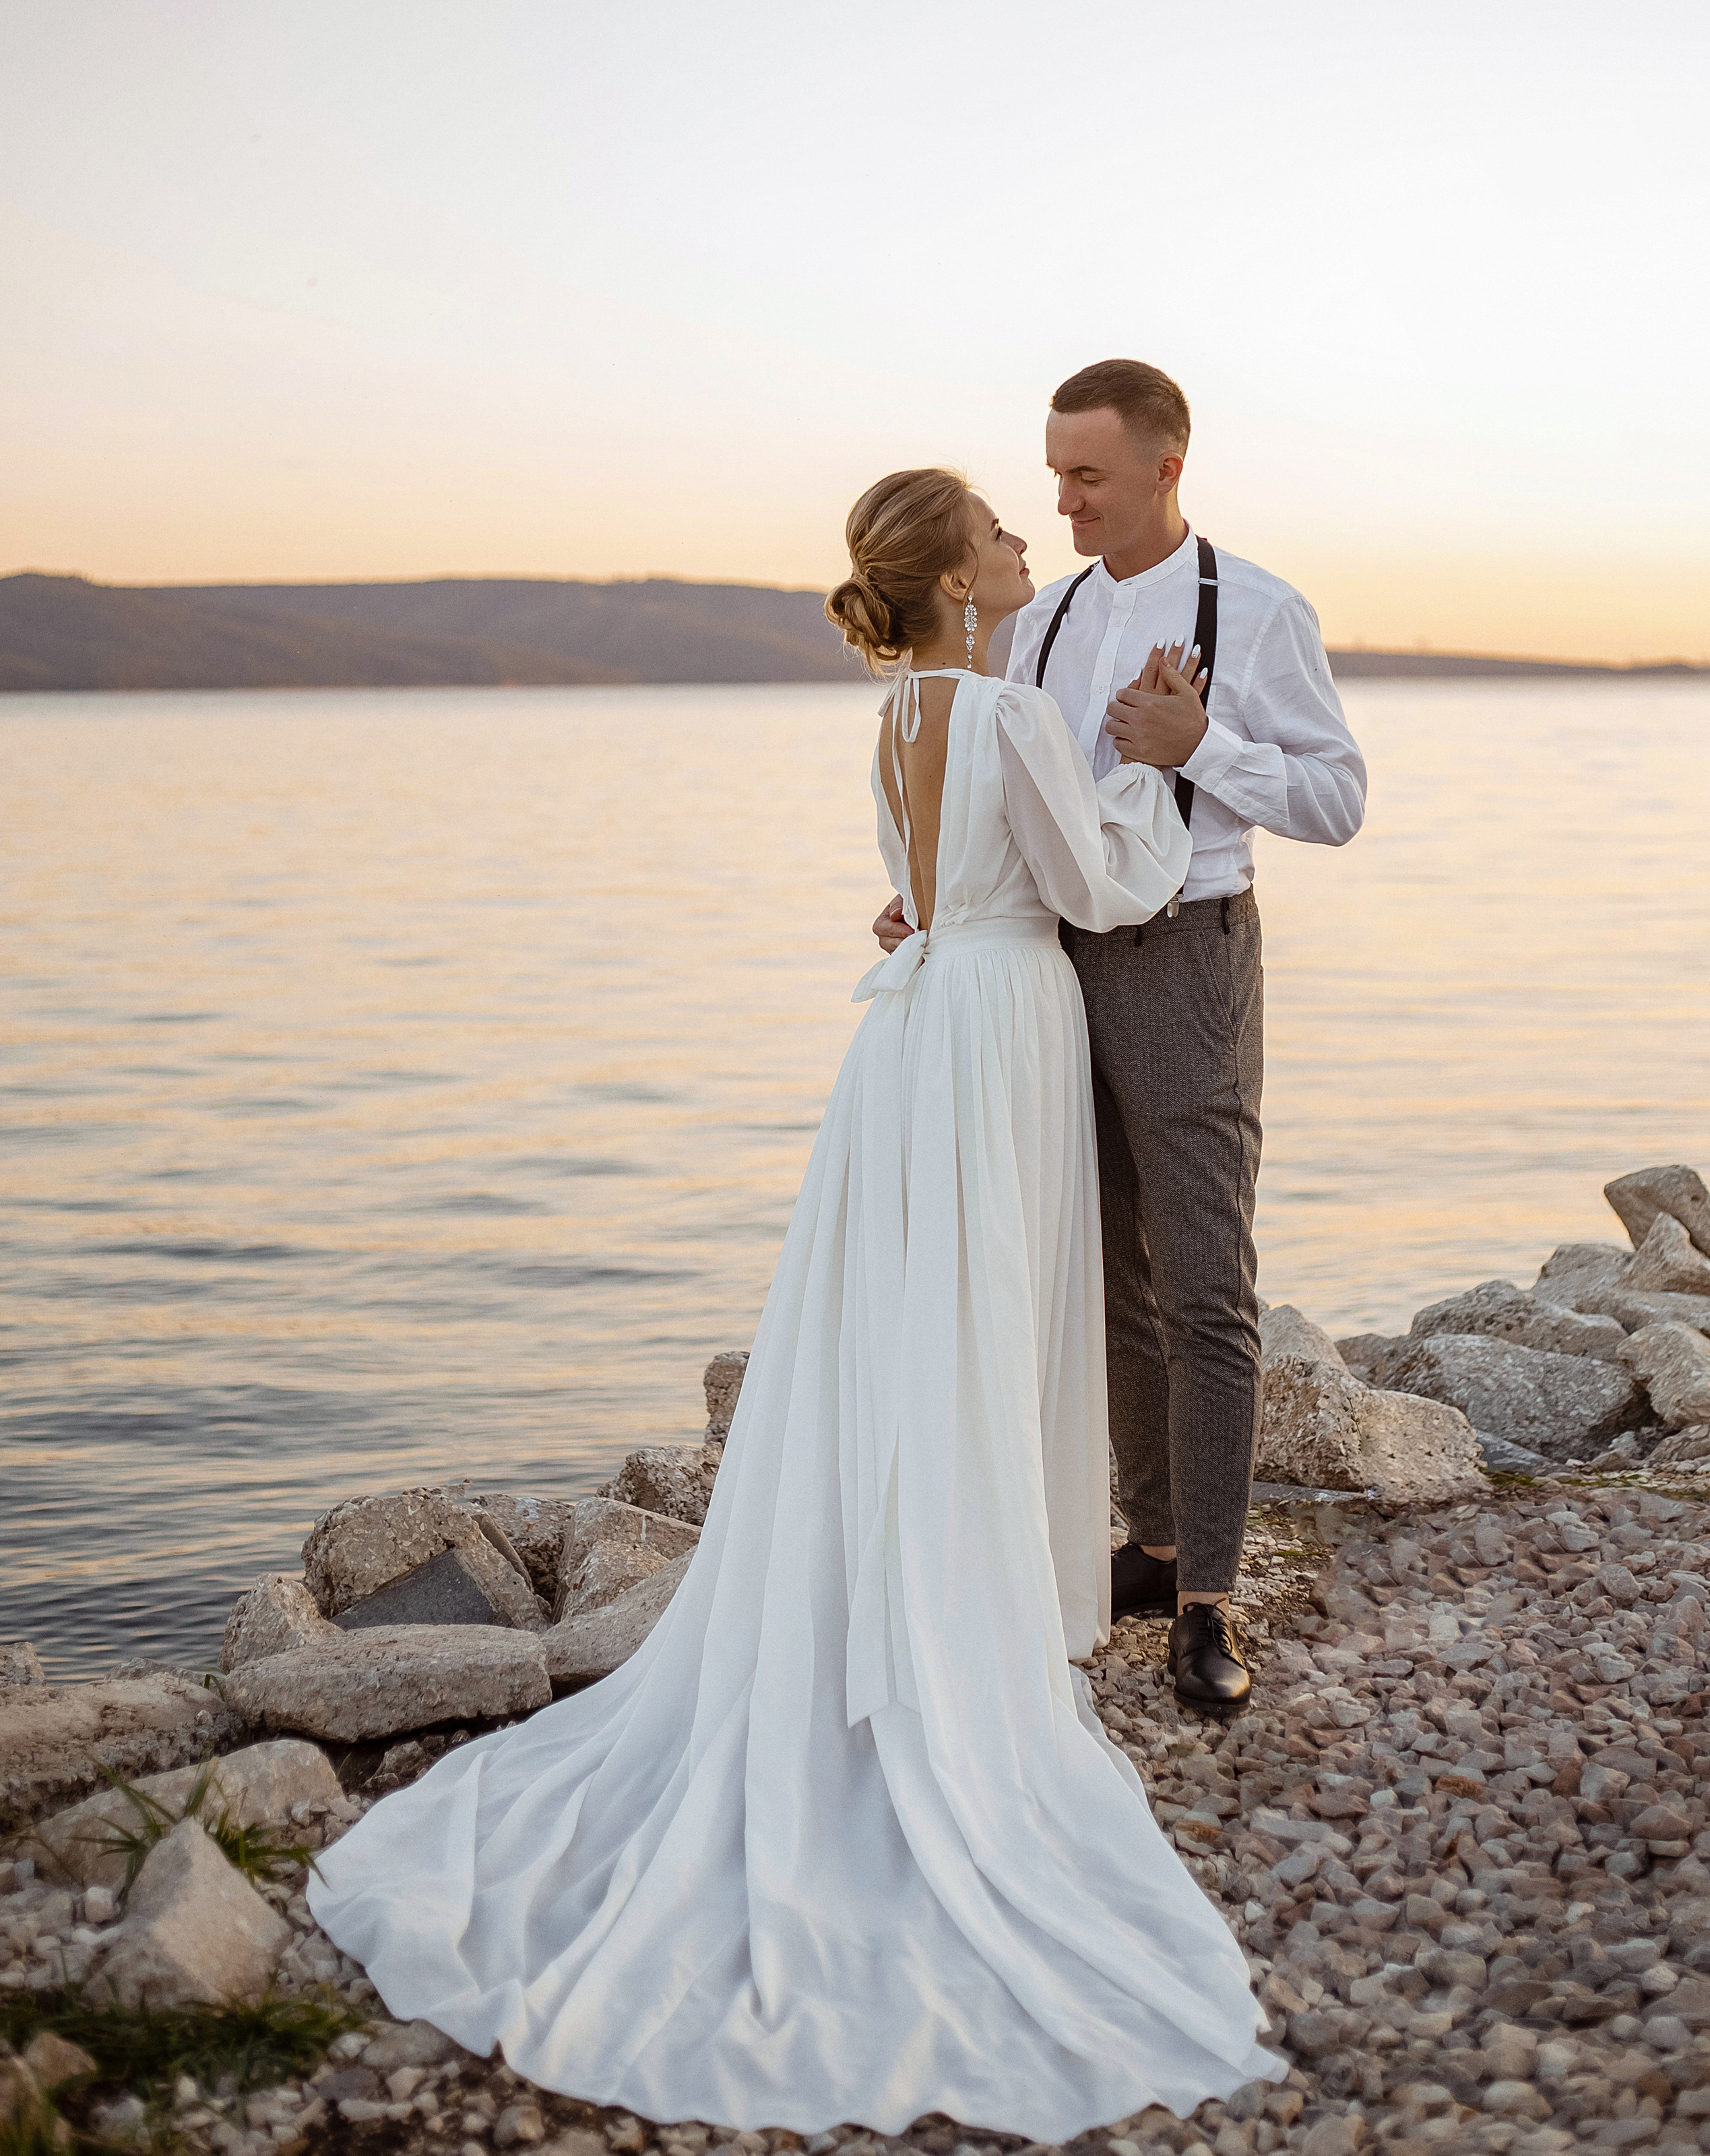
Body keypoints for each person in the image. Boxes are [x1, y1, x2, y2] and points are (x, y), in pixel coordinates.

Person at [308, 466, 1282, 2138]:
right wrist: (1151, 750)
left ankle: (892, 1586)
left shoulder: (898, 711)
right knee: (979, 1331)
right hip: (994, 1033)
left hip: (909, 1037)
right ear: (959, 582)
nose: (1019, 536)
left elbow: (950, 868)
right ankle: (964, 1623)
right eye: (994, 523)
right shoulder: (1007, 714)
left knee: (899, 1332)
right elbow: (1105, 888)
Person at [876, 364, 1367, 1712]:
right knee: (1104, 1272)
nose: (1059, 499)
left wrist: (1201, 742)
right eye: (1051, 472)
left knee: (1206, 1278)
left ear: (1163, 467)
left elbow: (1335, 801)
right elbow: (1023, 800)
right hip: (1042, 964)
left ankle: (1207, 1595)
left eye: (1084, 475)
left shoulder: (1256, 609)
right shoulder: (1036, 625)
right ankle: (1144, 1544)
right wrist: (930, 892)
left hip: (1184, 964)